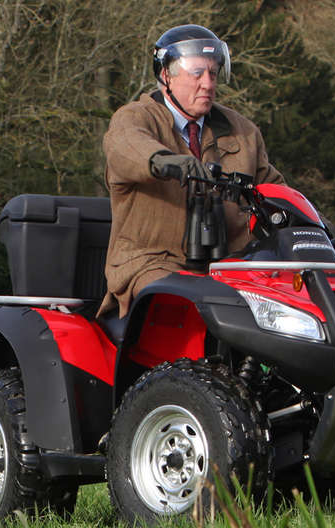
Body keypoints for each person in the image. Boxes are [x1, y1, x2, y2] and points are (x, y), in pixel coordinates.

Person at [98, 24, 285, 318]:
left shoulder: (243, 131)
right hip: (153, 263)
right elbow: (126, 146)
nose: (208, 84)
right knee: (187, 308)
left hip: (230, 268)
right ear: (166, 76)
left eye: (213, 73)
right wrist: (163, 161)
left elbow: (276, 190)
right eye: (197, 73)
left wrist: (315, 226)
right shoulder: (135, 118)